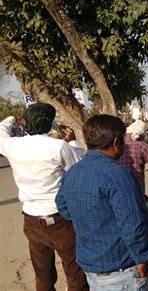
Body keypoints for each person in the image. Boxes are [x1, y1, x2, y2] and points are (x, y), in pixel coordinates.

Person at [56, 115, 148, 290]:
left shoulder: (73, 172)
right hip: (121, 270)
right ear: (117, 142)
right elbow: (133, 224)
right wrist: (141, 258)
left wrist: (92, 219)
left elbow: (63, 208)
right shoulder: (118, 174)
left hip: (91, 266)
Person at [0, 103, 88, 291]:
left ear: (25, 123)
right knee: (75, 273)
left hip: (32, 220)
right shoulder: (58, 147)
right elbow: (80, 169)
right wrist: (72, 142)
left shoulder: (12, 145)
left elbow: (1, 130)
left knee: (43, 275)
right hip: (61, 220)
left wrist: (11, 119)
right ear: (50, 123)